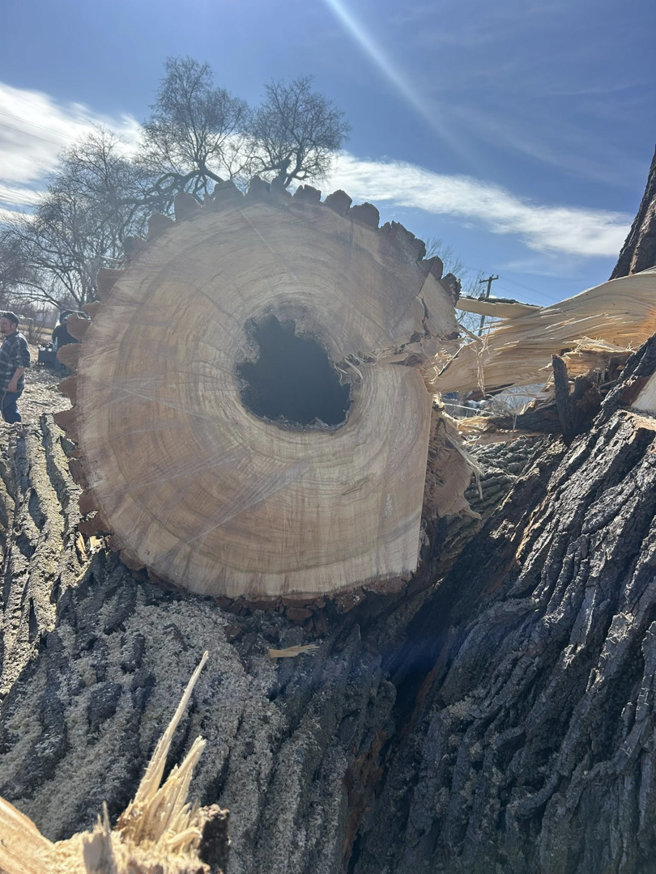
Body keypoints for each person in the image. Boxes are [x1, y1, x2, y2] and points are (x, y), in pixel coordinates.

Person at [0, 312, 31, 424]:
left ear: (13, 325)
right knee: (6, 408)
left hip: (10, 385)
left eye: (4, 323)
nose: (1, 325)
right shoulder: (9, 338)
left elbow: (21, 365)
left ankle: (19, 434)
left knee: (9, 411)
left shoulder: (17, 340)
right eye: (0, 322)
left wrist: (13, 382)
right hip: (3, 382)